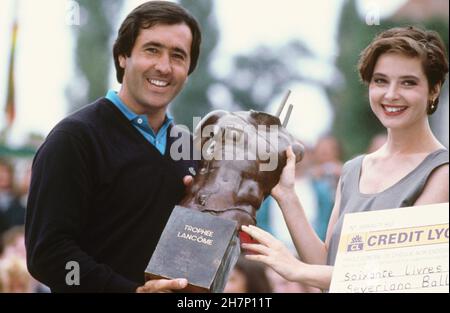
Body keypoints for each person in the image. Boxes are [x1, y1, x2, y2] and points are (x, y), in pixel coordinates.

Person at [241, 26, 449, 291]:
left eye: (408, 82)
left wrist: (298, 270)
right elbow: (326, 264)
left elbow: (399, 276)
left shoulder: (441, 172)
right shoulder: (354, 169)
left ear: (434, 89)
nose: (391, 94)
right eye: (381, 81)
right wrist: (287, 195)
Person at [25, 1, 201, 292]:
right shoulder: (74, 139)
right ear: (123, 56)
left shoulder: (189, 149)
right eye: (152, 50)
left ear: (188, 69)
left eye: (178, 56)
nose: (164, 66)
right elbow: (48, 255)